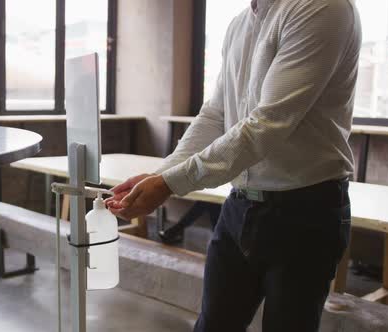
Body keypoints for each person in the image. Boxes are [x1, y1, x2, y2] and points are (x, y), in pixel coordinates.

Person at [105, 0, 362, 331]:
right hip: (241, 205)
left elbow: (269, 122)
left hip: (305, 212)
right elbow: (216, 114)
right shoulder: (240, 23)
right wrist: (161, 175)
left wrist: (170, 183)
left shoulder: (321, 7)